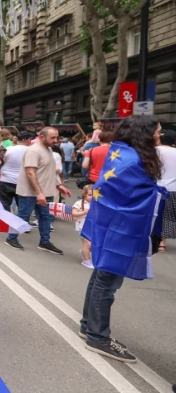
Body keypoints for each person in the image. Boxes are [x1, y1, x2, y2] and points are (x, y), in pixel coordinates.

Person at [79, 115, 164, 363]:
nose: (160, 137)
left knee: (101, 276)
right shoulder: (132, 161)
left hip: (112, 226)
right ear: (143, 134)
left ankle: (88, 327)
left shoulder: (122, 153)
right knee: (107, 282)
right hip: (121, 228)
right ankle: (98, 336)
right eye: (157, 132)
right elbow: (134, 195)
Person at [4, 127, 71, 253]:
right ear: (41, 137)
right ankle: (11, 238)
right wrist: (39, 193)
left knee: (46, 216)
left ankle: (45, 242)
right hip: (31, 192)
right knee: (23, 215)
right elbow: (30, 173)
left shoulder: (49, 149)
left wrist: (58, 185)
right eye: (52, 137)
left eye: (57, 137)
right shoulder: (34, 151)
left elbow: (47, 172)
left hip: (46, 191)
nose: (55, 140)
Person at [0, 132, 34, 212]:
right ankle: (20, 223)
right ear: (28, 140)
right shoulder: (31, 151)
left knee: (4, 204)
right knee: (22, 206)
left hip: (5, 180)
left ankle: (5, 223)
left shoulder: (9, 149)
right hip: (22, 182)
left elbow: (1, 161)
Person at [156, 129, 176, 251]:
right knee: (168, 216)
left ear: (160, 139)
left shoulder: (154, 151)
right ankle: (162, 241)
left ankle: (158, 239)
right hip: (173, 188)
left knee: (157, 214)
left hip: (156, 187)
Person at [72, 185, 94, 269]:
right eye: (90, 195)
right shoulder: (79, 203)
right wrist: (83, 212)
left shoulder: (96, 204)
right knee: (88, 244)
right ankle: (86, 261)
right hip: (82, 227)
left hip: (92, 228)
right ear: (84, 194)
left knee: (93, 245)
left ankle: (85, 252)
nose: (92, 197)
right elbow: (74, 213)